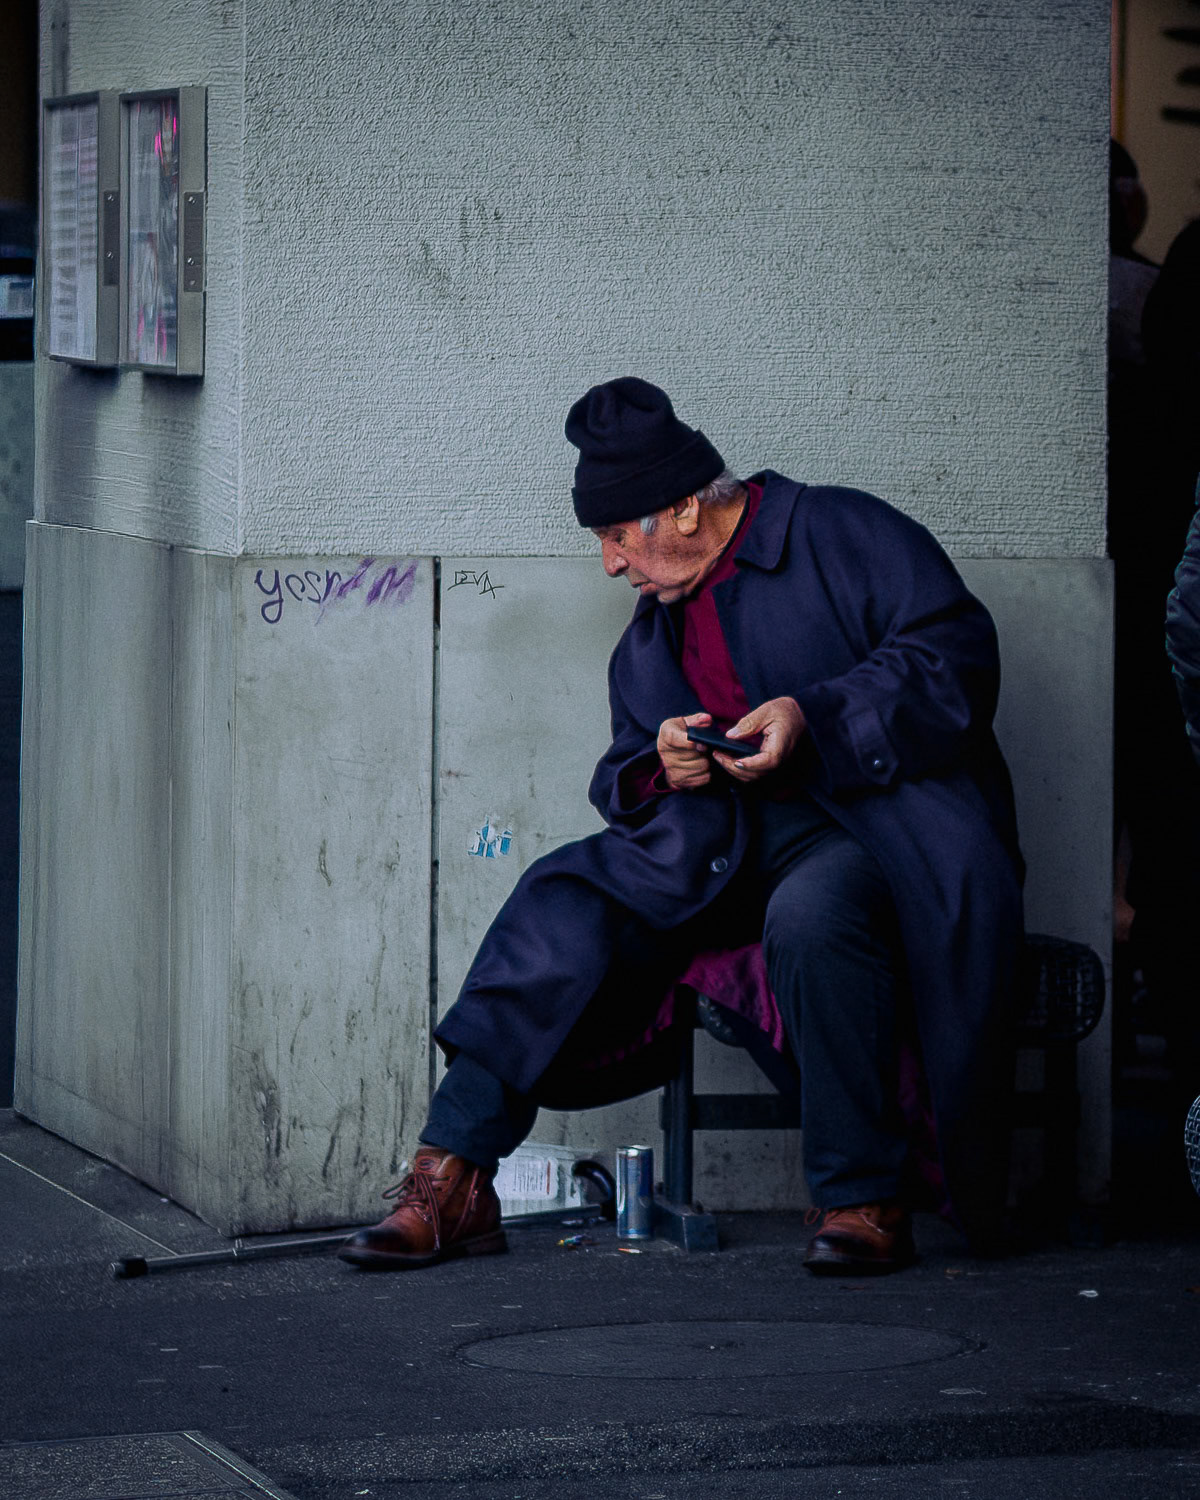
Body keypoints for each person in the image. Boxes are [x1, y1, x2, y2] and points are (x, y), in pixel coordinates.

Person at [340, 378, 1025, 1276]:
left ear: (685, 508)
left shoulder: (840, 532)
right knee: (563, 898)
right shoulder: (659, 621)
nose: (610, 565)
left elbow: (956, 658)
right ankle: (454, 1177)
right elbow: (625, 763)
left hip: (866, 832)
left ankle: (864, 1197)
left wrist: (813, 716)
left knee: (813, 917)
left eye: (617, 536)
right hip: (716, 847)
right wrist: (666, 761)